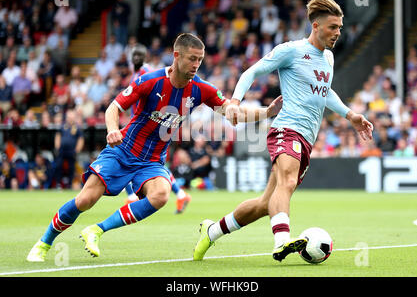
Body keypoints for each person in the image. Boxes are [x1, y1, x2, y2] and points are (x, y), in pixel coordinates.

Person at [27, 33, 282, 262]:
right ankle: (44, 242)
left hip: (151, 161)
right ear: (176, 55)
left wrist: (266, 112)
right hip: (122, 151)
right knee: (85, 199)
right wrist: (112, 129)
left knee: (160, 196)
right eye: (192, 59)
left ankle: (97, 229)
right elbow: (114, 108)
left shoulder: (201, 90)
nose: (196, 65)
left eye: (200, 60)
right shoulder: (150, 81)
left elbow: (232, 113)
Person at [193, 0, 374, 263]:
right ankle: (282, 241)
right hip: (287, 128)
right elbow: (251, 73)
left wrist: (350, 114)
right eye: (332, 27)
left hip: (307, 138)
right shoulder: (291, 50)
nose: (337, 33)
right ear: (315, 25)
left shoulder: (330, 59)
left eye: (339, 27)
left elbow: (324, 92)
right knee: (287, 182)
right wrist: (233, 102)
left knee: (267, 203)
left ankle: (211, 232)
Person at [122, 45, 192, 214]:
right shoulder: (137, 73)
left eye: (140, 55)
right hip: (142, 124)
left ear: (144, 56)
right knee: (153, 162)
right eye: (134, 55)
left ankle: (132, 197)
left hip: (150, 125)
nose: (136, 57)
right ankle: (180, 194)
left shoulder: (146, 72)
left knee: (125, 154)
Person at [53, 109, 85, 189]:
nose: (70, 119)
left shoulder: (77, 128)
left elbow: (81, 139)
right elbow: (58, 136)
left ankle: (70, 184)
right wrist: (57, 147)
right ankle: (58, 184)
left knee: (71, 168)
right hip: (62, 151)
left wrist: (77, 150)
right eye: (69, 117)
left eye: (72, 117)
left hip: (72, 151)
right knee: (58, 166)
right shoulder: (62, 127)